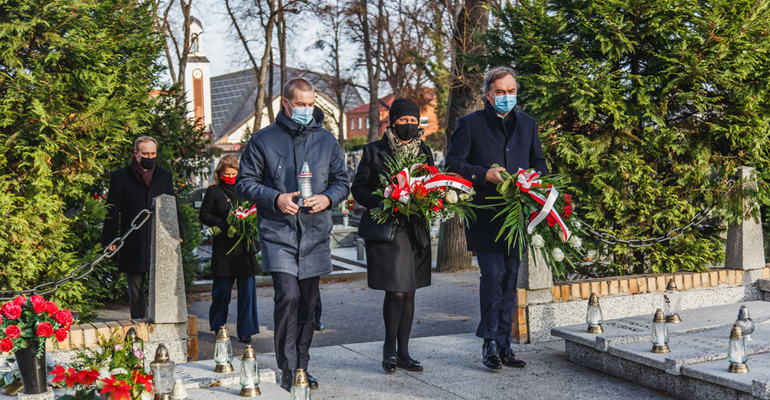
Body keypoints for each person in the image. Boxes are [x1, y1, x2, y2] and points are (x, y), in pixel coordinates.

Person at [236, 78, 349, 392]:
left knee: (308, 303)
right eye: (300, 104)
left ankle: (302, 366)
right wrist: (275, 197)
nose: (306, 110)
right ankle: (287, 368)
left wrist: (328, 198)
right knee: (288, 296)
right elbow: (244, 183)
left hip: (314, 234)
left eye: (310, 104)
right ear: (285, 103)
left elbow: (342, 181)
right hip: (278, 233)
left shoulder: (327, 140)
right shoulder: (263, 140)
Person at [445, 66, 547, 370]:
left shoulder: (527, 124)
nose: (506, 97)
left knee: (510, 278)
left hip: (516, 215)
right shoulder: (470, 124)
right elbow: (453, 163)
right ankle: (488, 342)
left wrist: (533, 176)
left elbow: (538, 160)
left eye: (511, 91)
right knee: (493, 275)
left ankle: (505, 345)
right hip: (485, 214)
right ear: (488, 95)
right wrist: (482, 174)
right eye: (500, 92)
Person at [351, 99, 433, 373]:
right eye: (403, 121)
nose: (408, 126)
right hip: (390, 228)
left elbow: (433, 183)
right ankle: (388, 348)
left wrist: (431, 199)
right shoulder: (374, 150)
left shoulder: (424, 150)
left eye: (413, 121)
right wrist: (385, 198)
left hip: (415, 230)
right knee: (396, 291)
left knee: (409, 292)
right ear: (392, 121)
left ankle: (404, 352)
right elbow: (359, 188)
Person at [102, 136, 185, 320]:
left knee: (162, 285)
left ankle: (162, 322)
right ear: (136, 153)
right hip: (133, 240)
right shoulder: (120, 176)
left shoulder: (164, 176)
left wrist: (178, 232)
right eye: (146, 153)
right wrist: (109, 240)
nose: (150, 156)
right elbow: (112, 211)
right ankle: (139, 325)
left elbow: (173, 205)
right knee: (136, 288)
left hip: (159, 239)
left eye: (153, 153)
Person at [199, 155, 260, 344]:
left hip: (244, 249)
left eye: (234, 173)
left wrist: (249, 224)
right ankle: (218, 326)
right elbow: (204, 215)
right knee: (221, 292)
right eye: (227, 174)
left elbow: (257, 212)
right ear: (220, 173)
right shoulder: (214, 191)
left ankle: (246, 330)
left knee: (247, 293)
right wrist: (223, 223)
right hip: (224, 249)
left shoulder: (246, 190)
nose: (230, 177)